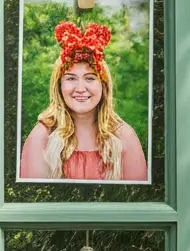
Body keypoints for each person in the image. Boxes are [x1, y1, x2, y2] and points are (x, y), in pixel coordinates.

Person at [19, 21, 148, 182]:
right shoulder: (41, 137)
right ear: (59, 86)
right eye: (71, 78)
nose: (80, 88)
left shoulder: (124, 137)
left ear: (104, 85)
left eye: (90, 78)